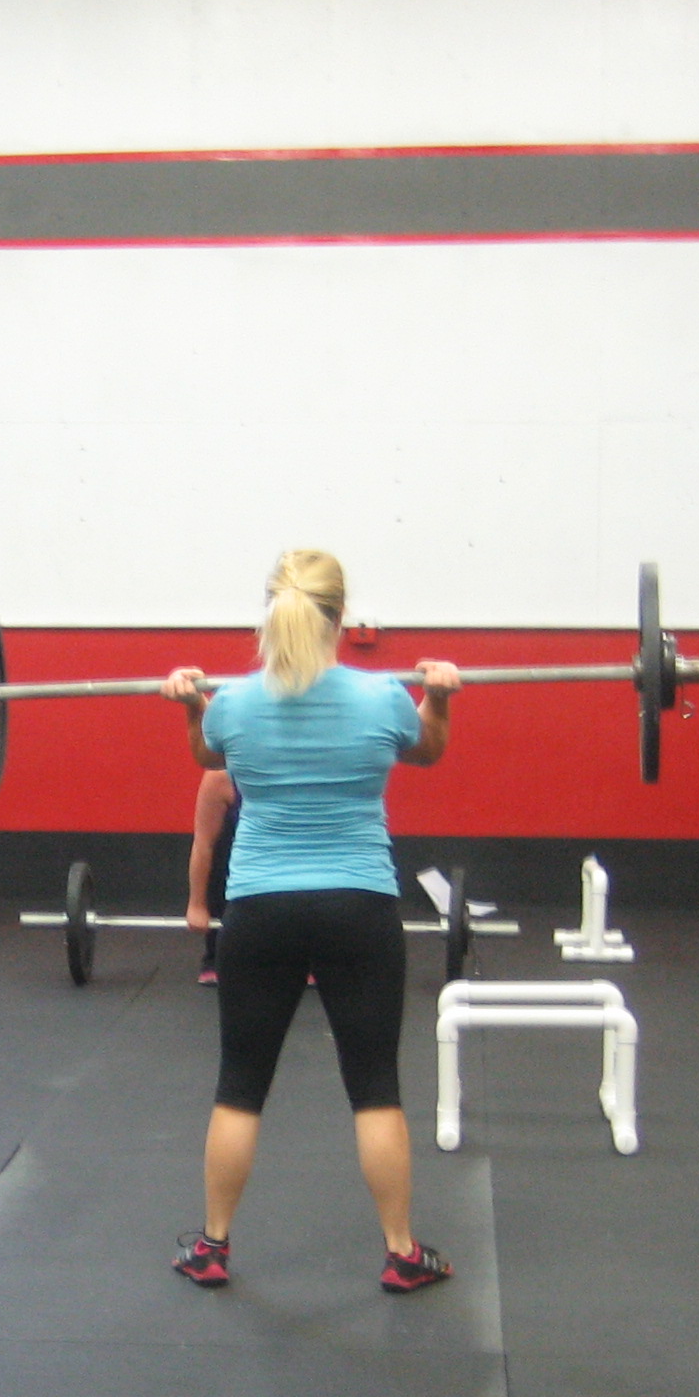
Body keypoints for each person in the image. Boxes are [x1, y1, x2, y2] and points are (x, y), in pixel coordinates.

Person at [161, 549, 458, 1293]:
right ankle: (400, 1252)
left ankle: (213, 1248)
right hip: (358, 906)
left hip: (259, 909)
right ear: (339, 616)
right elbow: (429, 751)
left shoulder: (233, 704)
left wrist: (194, 703)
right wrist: (441, 696)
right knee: (376, 1088)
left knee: (239, 1085)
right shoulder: (385, 697)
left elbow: (207, 751)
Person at [185, 769, 239, 985]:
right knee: (221, 842)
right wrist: (196, 905)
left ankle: (314, 957)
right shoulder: (221, 778)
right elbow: (203, 845)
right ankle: (215, 954)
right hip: (241, 850)